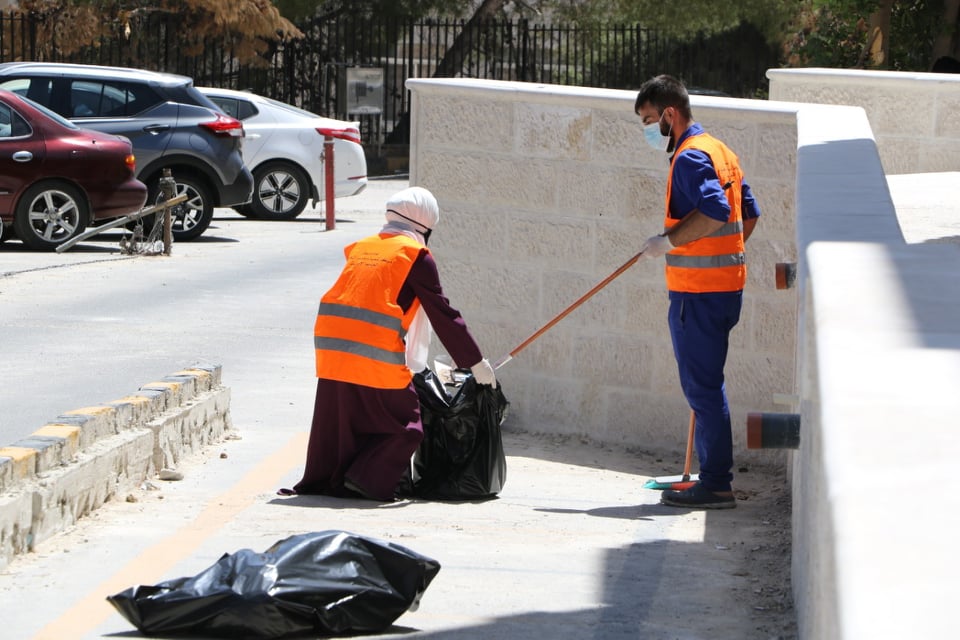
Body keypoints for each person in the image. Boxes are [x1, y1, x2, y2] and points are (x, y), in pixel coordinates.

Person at [282, 186, 497, 501]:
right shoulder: (415, 256)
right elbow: (443, 314)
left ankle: (340, 478)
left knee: (346, 419)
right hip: (373, 346)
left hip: (331, 342)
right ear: (424, 223)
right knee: (407, 424)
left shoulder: (365, 245)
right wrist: (475, 363)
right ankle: (364, 479)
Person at [634, 75, 760, 509]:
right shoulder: (721, 151)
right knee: (709, 386)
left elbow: (717, 210)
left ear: (671, 114)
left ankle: (717, 484)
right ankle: (714, 478)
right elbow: (748, 215)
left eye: (650, 120)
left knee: (703, 390)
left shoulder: (689, 158)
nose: (648, 130)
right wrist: (725, 253)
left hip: (698, 295)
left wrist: (667, 243)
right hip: (726, 289)